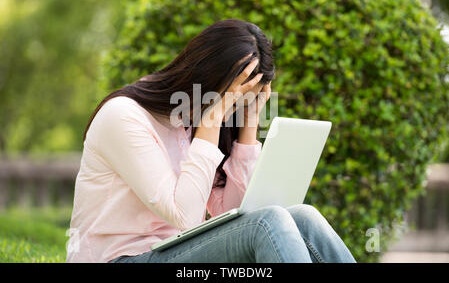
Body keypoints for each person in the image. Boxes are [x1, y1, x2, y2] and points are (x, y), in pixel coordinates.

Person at [66, 19, 356, 263]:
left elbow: (235, 213)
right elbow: (185, 216)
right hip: (119, 259)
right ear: (206, 76)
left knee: (304, 217)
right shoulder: (124, 116)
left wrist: (249, 123)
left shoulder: (192, 121)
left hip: (171, 253)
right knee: (268, 223)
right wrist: (211, 120)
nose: (235, 106)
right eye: (235, 94)